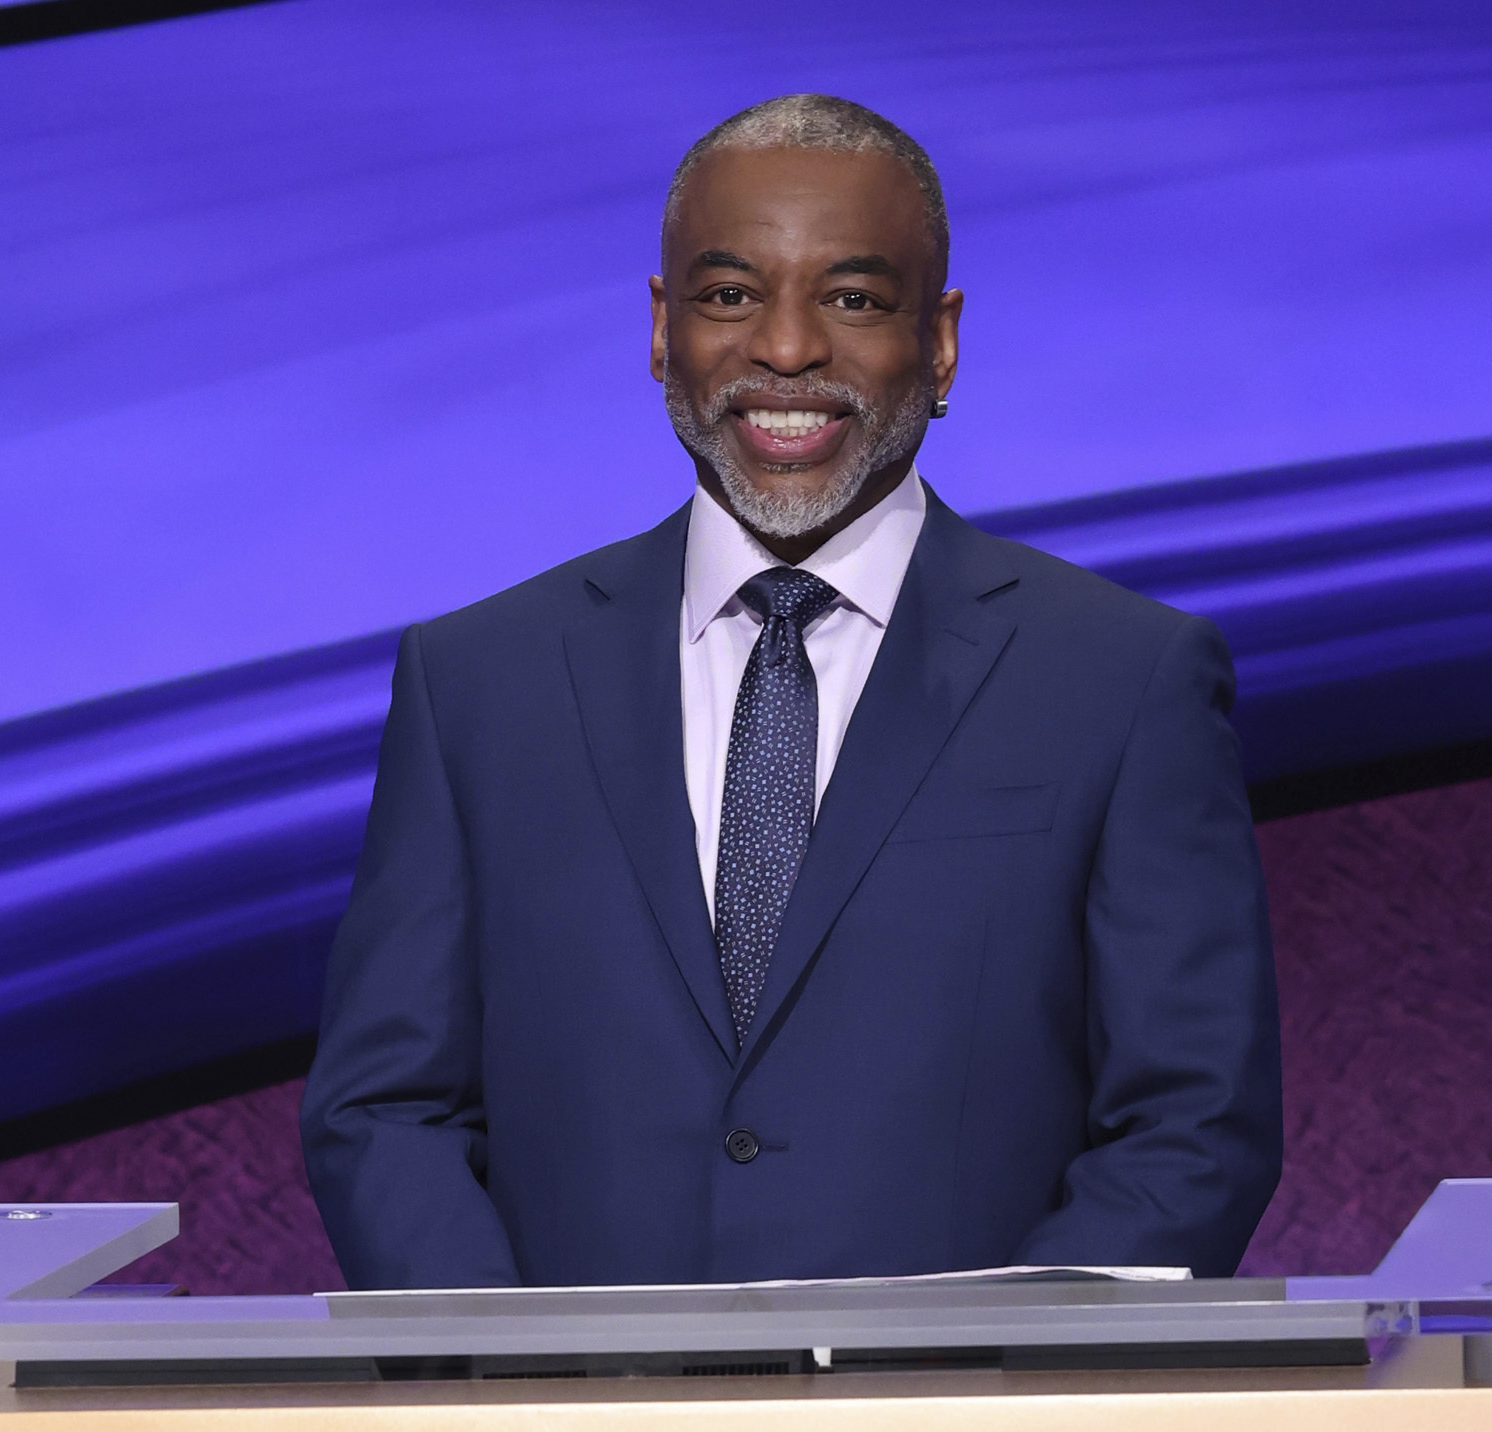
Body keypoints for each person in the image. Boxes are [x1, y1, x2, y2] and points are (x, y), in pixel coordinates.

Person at [301, 94, 1279, 1290]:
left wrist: (990, 1407)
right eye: (728, 296)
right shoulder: (476, 683)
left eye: (854, 299)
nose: (786, 350)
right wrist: (512, 1402)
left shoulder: (1125, 679)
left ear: (943, 340)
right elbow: (385, 1111)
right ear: (663, 330)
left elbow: (1194, 1125)